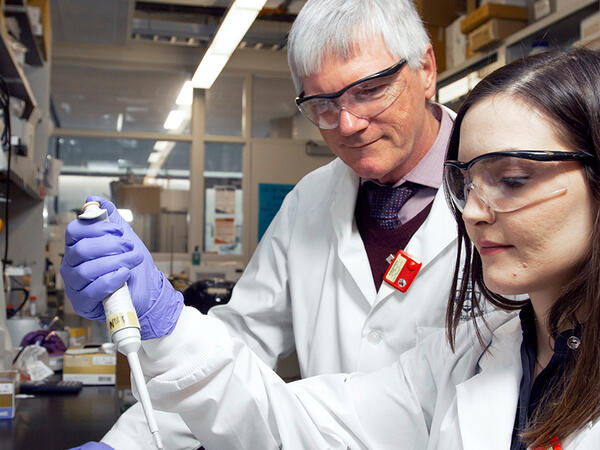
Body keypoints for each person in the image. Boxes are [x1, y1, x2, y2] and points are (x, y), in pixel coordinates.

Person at [69, 48, 600, 449]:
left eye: (511, 178)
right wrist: (165, 320)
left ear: (425, 70)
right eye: (465, 182)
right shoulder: (474, 355)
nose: (475, 211)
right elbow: (290, 419)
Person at [62, 0, 460, 448]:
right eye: (323, 104)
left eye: (369, 91)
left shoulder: (503, 190)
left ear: (426, 68)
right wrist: (128, 442)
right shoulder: (309, 200)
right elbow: (237, 350)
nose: (348, 124)